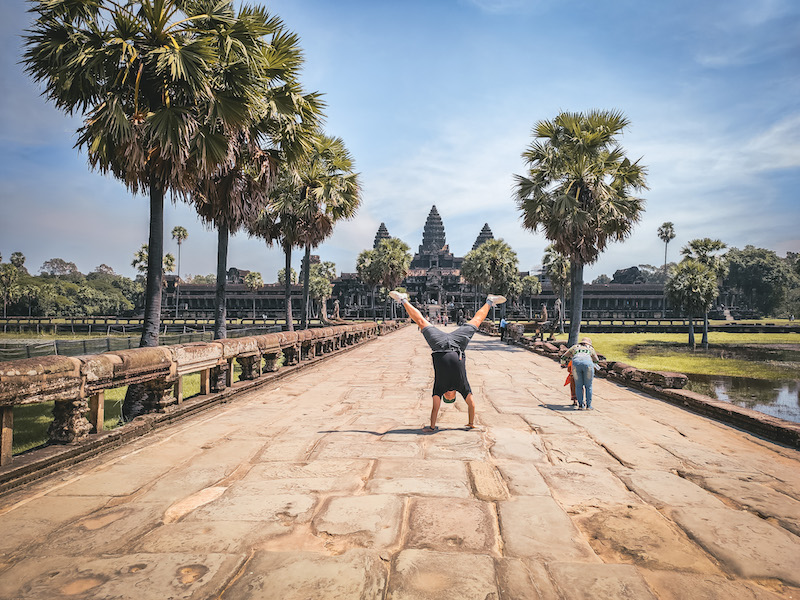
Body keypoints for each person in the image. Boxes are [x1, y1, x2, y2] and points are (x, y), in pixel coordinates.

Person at [389, 290, 507, 432]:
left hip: (438, 346)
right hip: (458, 345)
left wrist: (432, 427)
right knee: (476, 322)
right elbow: (472, 405)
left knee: (421, 322)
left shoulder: (439, 388)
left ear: (445, 396)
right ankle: (490, 301)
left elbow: (435, 409)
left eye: (447, 397)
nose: (449, 395)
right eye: (451, 397)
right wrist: (471, 423)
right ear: (454, 395)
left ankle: (403, 300)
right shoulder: (462, 387)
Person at [560, 337, 600, 410]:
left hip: (576, 365)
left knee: (578, 386)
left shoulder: (574, 347)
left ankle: (580, 405)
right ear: (589, 343)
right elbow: (596, 360)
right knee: (588, 386)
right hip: (588, 365)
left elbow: (563, 357)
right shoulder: (590, 348)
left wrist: (563, 364)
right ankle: (588, 406)